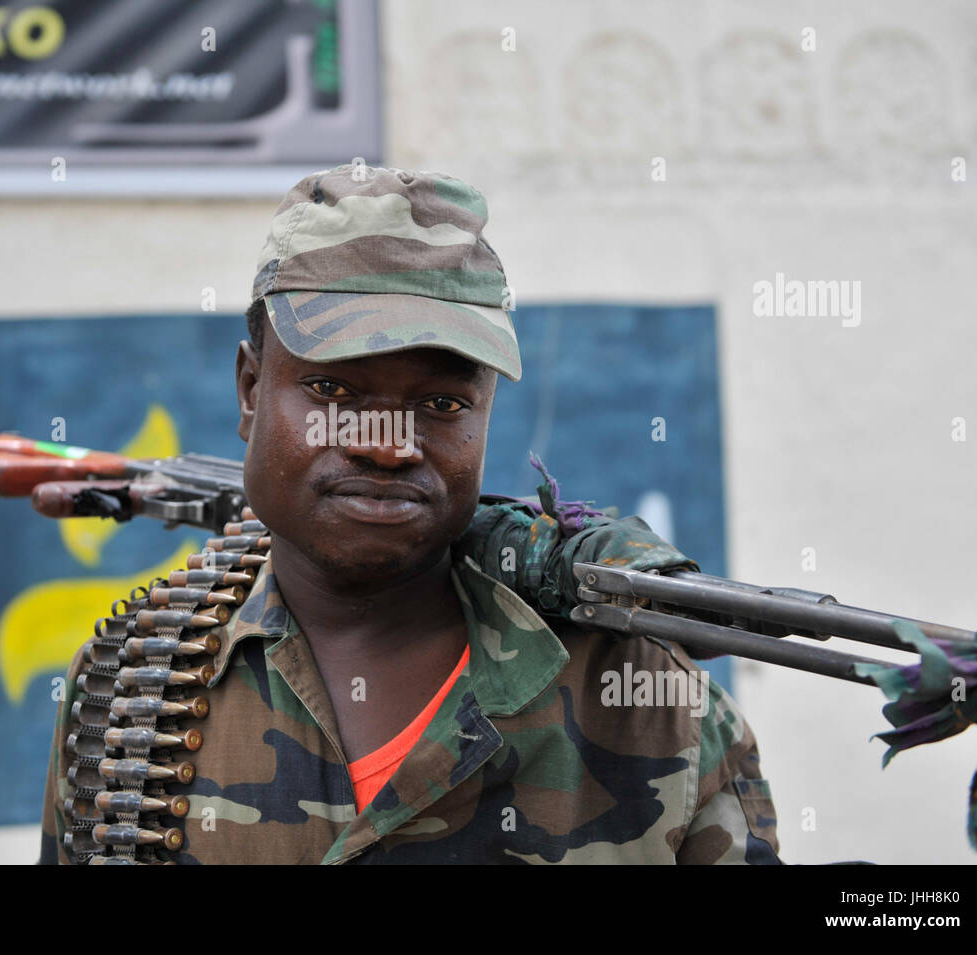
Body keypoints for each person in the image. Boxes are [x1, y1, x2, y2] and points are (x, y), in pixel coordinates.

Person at [39, 163, 781, 864]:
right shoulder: (129, 682)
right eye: (333, 391)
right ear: (250, 390)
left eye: (442, 403)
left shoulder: (651, 703)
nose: (388, 445)